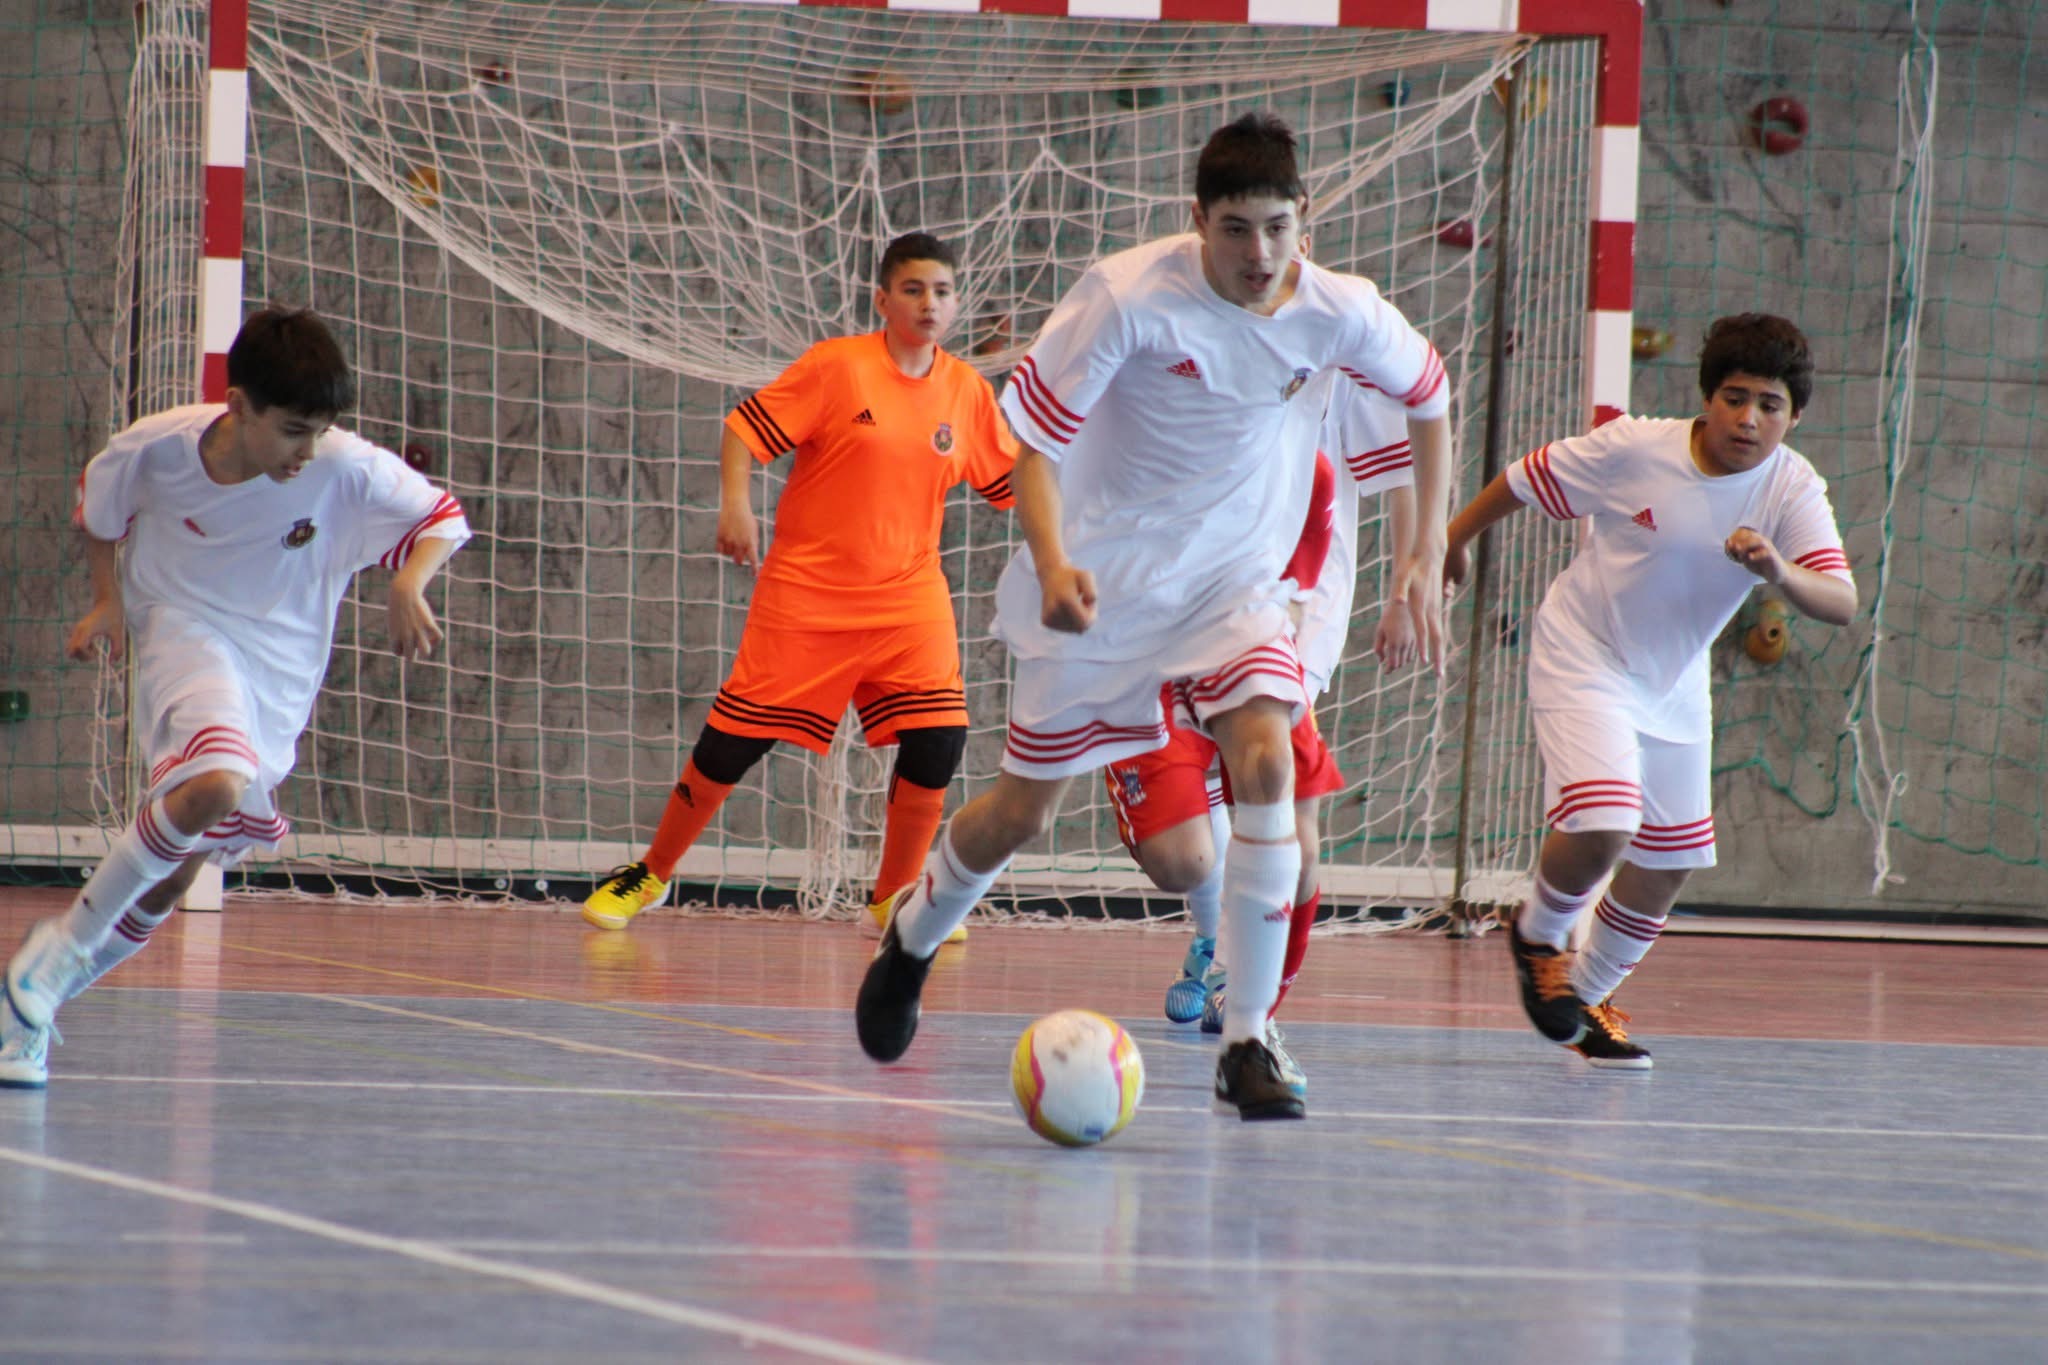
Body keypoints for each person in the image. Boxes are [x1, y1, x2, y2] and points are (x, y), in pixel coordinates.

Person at [854, 113, 1453, 1122]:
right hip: (1109, 585)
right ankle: (914, 936)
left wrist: (1423, 554)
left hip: (1236, 585)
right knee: (1019, 814)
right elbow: (1034, 451)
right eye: (1235, 229)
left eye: (1276, 228)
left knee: (1265, 759)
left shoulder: (1340, 311)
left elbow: (1429, 396)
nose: (1258, 253)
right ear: (1197, 220)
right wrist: (1053, 564)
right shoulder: (1127, 297)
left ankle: (1247, 1037)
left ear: (1302, 220)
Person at [0, 306, 470, 1089]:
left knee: (177, 871)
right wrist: (108, 600)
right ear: (239, 404)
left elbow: (442, 517)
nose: (307, 451)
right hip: (182, 627)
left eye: (319, 432)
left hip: (278, 670)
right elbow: (101, 511)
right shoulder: (156, 448)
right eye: (292, 431)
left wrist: (408, 579)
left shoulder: (340, 466)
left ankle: (26, 1016)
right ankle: (62, 947)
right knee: (215, 781)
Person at [1442, 313, 1855, 1069]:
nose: (1749, 418)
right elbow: (1525, 478)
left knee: (1670, 861)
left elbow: (1841, 600)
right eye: (1735, 398)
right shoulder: (1634, 449)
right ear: (1707, 399)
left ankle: (1586, 1001)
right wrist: (1449, 541)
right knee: (1606, 821)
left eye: (1769, 405)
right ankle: (1538, 934)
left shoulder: (1791, 486)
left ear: (1794, 417)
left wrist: (1779, 571)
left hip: (1674, 678)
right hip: (1586, 650)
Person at [581, 233, 1017, 939]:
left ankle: (894, 897)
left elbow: (1012, 483)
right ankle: (651, 872)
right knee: (731, 743)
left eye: (942, 291)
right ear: (883, 300)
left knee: (940, 736)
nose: (928, 303)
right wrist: (735, 505)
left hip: (909, 598)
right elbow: (743, 430)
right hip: (808, 594)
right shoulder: (837, 367)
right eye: (912, 289)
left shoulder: (966, 390)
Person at [1110, 383, 1420, 1098]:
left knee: (1287, 829)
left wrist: (1410, 584)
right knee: (1184, 854)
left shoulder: (1355, 348)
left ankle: (1251, 1015)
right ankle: (1215, 933)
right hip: (1163, 624)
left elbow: (1403, 460)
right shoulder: (1177, 367)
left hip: (1282, 625)